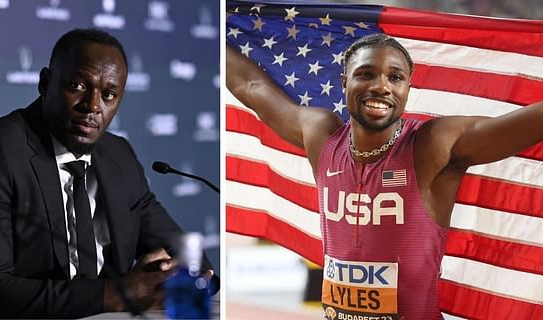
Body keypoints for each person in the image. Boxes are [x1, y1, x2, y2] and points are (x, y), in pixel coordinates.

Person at [226, 33, 543, 320]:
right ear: (344, 82)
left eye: (395, 78)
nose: (381, 86)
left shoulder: (432, 145)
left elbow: (523, 125)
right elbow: (251, 87)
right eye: (365, 74)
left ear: (407, 89)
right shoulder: (320, 135)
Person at [0, 28, 216, 318]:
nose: (93, 106)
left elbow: (192, 259)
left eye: (109, 95)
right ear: (45, 83)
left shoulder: (118, 157)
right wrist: (118, 294)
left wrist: (174, 277)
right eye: (78, 86)